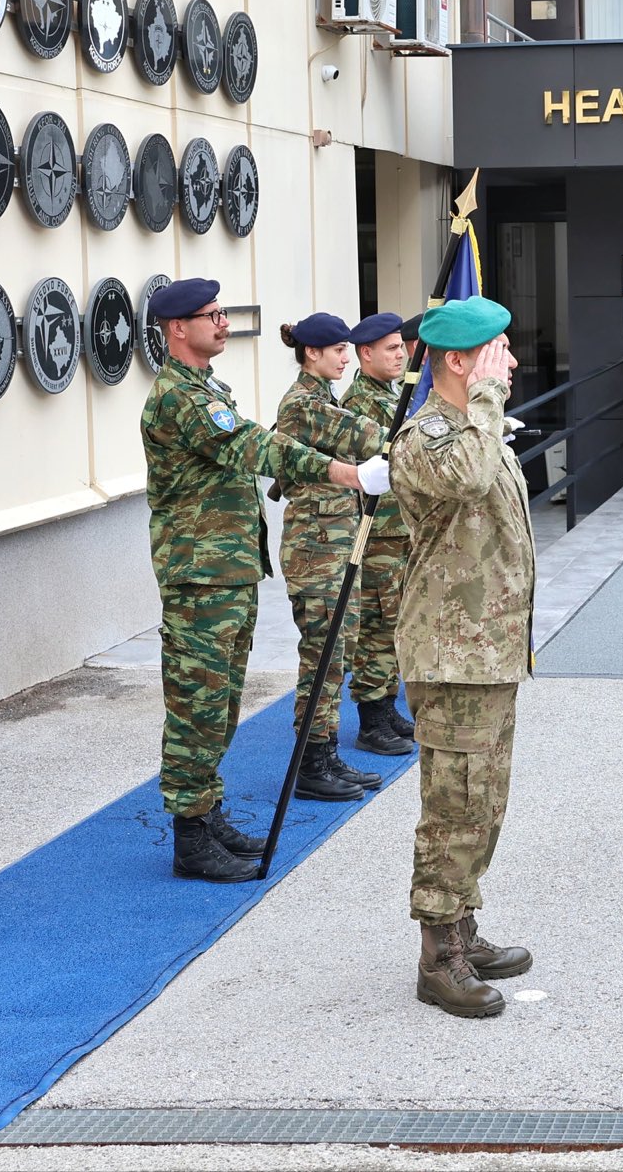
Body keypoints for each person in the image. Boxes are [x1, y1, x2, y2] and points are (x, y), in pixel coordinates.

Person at [139, 279, 376, 882]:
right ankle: (191, 837)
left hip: (227, 573)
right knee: (196, 706)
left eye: (222, 313)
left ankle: (207, 812)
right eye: (211, 315)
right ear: (177, 329)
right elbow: (257, 448)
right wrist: (347, 473)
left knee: (219, 705)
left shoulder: (206, 388)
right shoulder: (180, 399)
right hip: (200, 578)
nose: (222, 322)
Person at [391, 297, 537, 1018]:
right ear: (458, 360)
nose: (509, 363)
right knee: (453, 805)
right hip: (451, 655)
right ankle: (437, 955)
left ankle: (463, 924)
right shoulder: (427, 437)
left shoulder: (476, 429)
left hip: (487, 650)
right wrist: (485, 396)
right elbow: (473, 480)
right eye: (497, 350)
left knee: (484, 800)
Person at [272, 314, 392, 801]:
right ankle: (312, 765)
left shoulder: (320, 399)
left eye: (348, 350)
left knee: (335, 654)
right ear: (311, 354)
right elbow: (366, 434)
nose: (346, 358)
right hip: (315, 550)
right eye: (338, 350)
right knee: (321, 658)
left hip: (335, 545)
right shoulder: (303, 405)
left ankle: (324, 754)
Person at [341, 311, 419, 756]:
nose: (399, 354)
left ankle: (387, 705)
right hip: (376, 536)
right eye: (389, 348)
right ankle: (371, 718)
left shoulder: (390, 395)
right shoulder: (359, 405)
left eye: (399, 346)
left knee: (394, 624)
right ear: (364, 354)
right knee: (375, 625)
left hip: (399, 530)